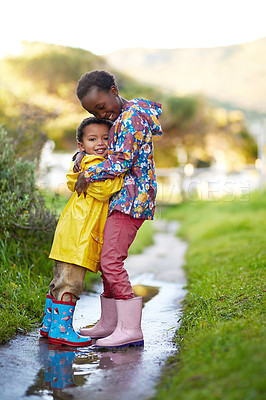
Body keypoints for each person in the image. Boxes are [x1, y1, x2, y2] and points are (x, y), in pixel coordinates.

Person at [74, 70, 163, 348]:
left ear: (114, 90)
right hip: (123, 196)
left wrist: (87, 175)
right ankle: (110, 323)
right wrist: (81, 153)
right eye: (94, 112)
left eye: (102, 107)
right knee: (106, 260)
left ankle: (130, 328)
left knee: (111, 261)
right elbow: (103, 146)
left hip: (131, 198)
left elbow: (120, 162)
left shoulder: (130, 118)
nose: (102, 115)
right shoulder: (126, 113)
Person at [40, 117, 124, 346]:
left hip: (71, 234)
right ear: (81, 145)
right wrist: (121, 177)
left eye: (106, 138)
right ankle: (61, 331)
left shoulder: (85, 162)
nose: (101, 143)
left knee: (59, 281)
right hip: (78, 236)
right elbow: (103, 189)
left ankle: (50, 326)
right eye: (93, 139)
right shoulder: (94, 165)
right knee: (70, 284)